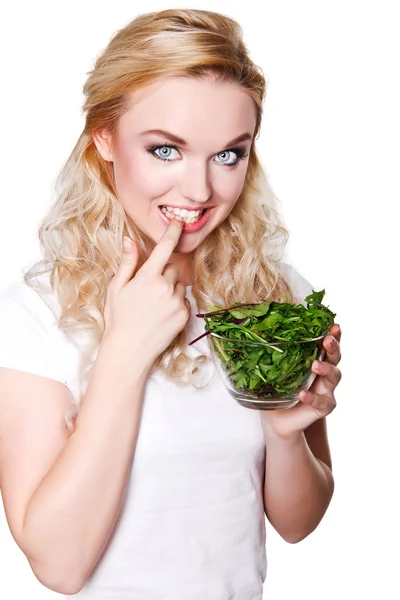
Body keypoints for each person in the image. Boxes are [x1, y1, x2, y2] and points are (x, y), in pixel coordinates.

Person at [0, 8, 342, 599]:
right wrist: (124, 355)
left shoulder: (270, 293)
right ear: (103, 137)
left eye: (229, 154)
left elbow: (296, 524)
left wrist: (286, 434)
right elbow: (58, 566)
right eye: (166, 150)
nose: (200, 189)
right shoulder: (35, 313)